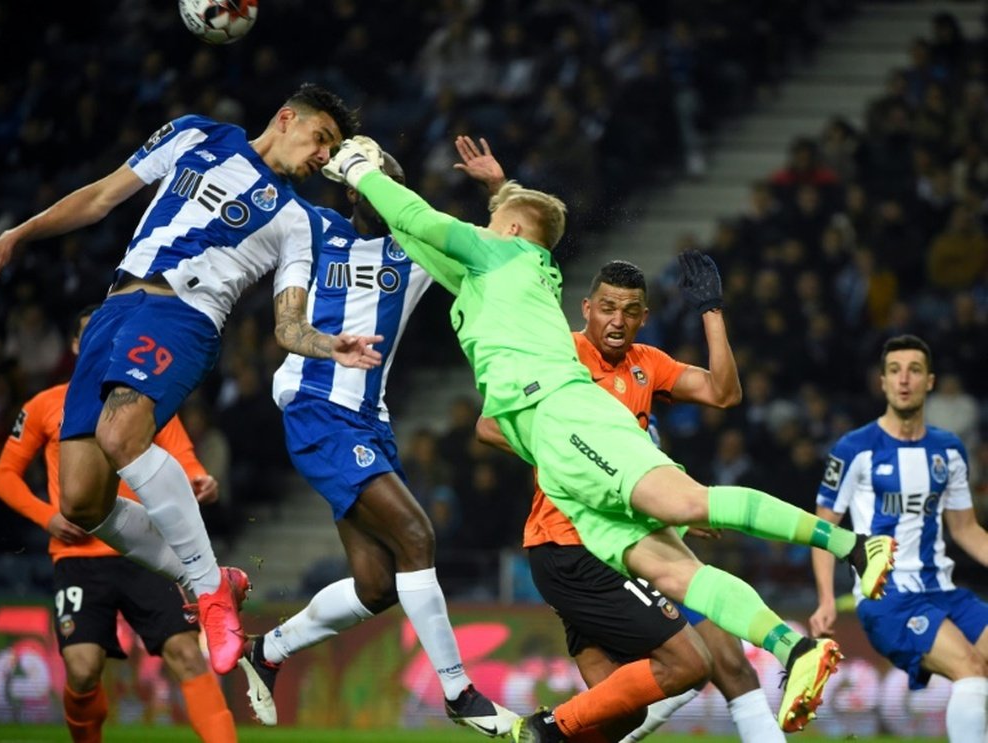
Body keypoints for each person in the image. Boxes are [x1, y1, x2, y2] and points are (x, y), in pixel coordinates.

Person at [320, 134, 897, 739]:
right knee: (674, 573)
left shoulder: (503, 258)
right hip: (561, 464)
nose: (481, 226)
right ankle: (792, 649)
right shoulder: (498, 273)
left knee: (687, 506)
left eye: (491, 220)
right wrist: (387, 197)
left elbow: (424, 218)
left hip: (566, 417)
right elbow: (420, 238)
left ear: (510, 232)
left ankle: (854, 546)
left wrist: (361, 169)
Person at [0, 83, 384, 676]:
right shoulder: (197, 134)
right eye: (321, 138)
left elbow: (288, 325)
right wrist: (21, 232)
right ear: (285, 118)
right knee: (80, 501)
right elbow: (100, 197)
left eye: (331, 150)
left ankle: (208, 593)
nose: (323, 157)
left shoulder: (298, 220)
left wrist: (329, 344)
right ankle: (209, 577)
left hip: (184, 318)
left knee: (124, 436)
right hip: (112, 313)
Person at [458, 139, 782, 741]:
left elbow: (723, 393)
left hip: (630, 540)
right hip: (568, 538)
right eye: (606, 307)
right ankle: (544, 729)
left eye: (629, 312)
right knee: (651, 687)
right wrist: (567, 457)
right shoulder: (561, 354)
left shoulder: (647, 363)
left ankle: (544, 731)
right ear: (584, 308)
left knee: (679, 680)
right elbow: (485, 423)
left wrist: (711, 312)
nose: (615, 320)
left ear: (641, 319)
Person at [236, 151, 517, 736]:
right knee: (417, 536)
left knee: (378, 586)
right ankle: (459, 691)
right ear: (351, 190)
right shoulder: (313, 227)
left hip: (370, 418)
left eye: (392, 177)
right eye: (370, 178)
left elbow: (501, 249)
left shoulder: (416, 246)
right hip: (316, 407)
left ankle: (268, 649)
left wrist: (499, 189)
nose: (381, 187)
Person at [0, 306, 238, 743]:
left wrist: (198, 475)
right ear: (74, 346)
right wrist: (47, 517)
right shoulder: (45, 405)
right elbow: (4, 475)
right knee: (83, 670)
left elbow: (180, 451)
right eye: (92, 335)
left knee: (186, 653)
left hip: (143, 553)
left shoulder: (141, 399)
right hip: (78, 559)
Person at [810, 334, 988, 743]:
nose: (904, 379)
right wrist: (824, 598)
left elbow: (967, 530)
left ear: (930, 382)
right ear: (883, 383)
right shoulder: (854, 449)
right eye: (894, 371)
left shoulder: (949, 450)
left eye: (914, 370)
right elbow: (823, 529)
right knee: (971, 669)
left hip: (945, 591)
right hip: (887, 599)